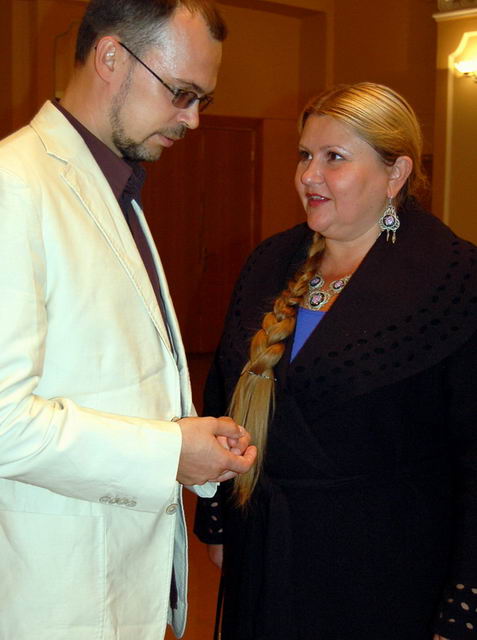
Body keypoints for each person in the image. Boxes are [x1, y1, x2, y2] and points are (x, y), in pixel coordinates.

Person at [0, 1, 257, 638]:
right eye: (181, 93)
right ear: (112, 57)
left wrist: (189, 433)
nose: (193, 119)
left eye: (202, 99)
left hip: (117, 580)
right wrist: (171, 452)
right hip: (54, 596)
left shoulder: (115, 188)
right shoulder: (14, 185)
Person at [195, 82, 477, 640]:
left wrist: (464, 605)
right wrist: (221, 520)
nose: (309, 175)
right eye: (305, 155)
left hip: (384, 575)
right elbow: (223, 393)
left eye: (334, 158)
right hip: (266, 553)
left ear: (396, 174)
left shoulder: (454, 280)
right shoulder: (270, 262)